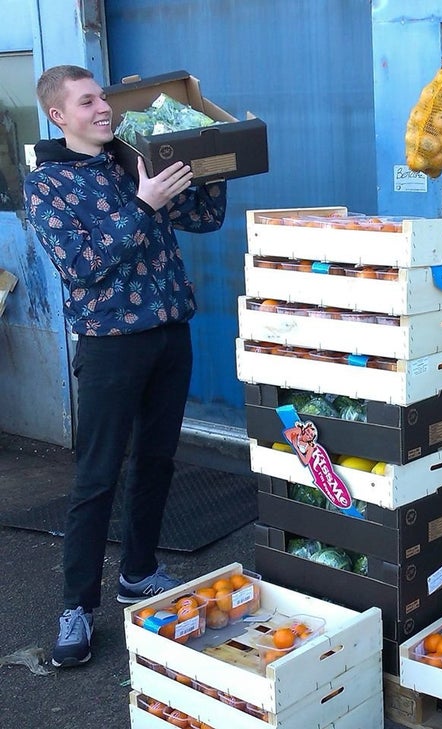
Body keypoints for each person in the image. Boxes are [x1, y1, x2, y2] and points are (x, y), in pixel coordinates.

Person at [23, 65, 228, 668]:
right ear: (59, 115)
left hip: (169, 333)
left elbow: (202, 218)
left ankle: (138, 572)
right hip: (112, 345)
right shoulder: (49, 185)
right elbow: (84, 267)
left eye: (102, 99)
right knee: (96, 477)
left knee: (158, 461)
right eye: (87, 102)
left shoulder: (131, 156)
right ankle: (76, 607)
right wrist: (143, 204)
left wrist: (214, 162)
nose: (102, 109)